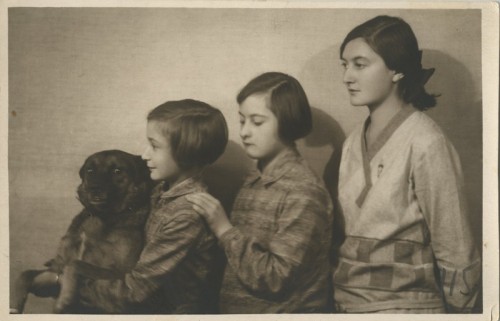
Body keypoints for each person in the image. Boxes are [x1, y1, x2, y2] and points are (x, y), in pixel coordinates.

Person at [332, 15, 481, 313]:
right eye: (345, 65)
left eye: (360, 65)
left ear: (397, 69)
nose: (347, 76)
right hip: (345, 305)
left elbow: (455, 244)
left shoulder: (426, 141)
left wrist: (461, 308)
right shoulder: (351, 143)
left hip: (408, 307)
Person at [28, 99, 228, 313]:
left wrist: (63, 281)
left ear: (186, 154)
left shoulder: (188, 212)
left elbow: (135, 292)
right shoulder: (161, 193)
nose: (144, 155)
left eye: (154, 146)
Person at [187, 72, 334, 313]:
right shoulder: (254, 178)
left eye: (256, 122)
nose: (244, 132)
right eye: (242, 120)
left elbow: (276, 279)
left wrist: (224, 230)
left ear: (287, 122)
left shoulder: (304, 190)